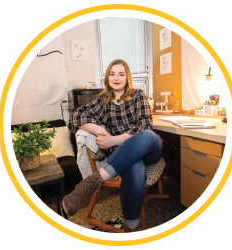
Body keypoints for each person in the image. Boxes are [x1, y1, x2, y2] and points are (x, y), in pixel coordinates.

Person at [62, 59, 163, 233]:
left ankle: (92, 182)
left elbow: (146, 124)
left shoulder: (138, 94)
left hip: (148, 149)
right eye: (112, 73)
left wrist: (114, 140)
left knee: (147, 135)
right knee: (134, 167)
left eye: (121, 74)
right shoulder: (103, 102)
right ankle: (131, 228)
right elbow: (75, 117)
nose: (116, 77)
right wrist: (99, 130)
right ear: (107, 77)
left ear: (127, 77)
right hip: (124, 156)